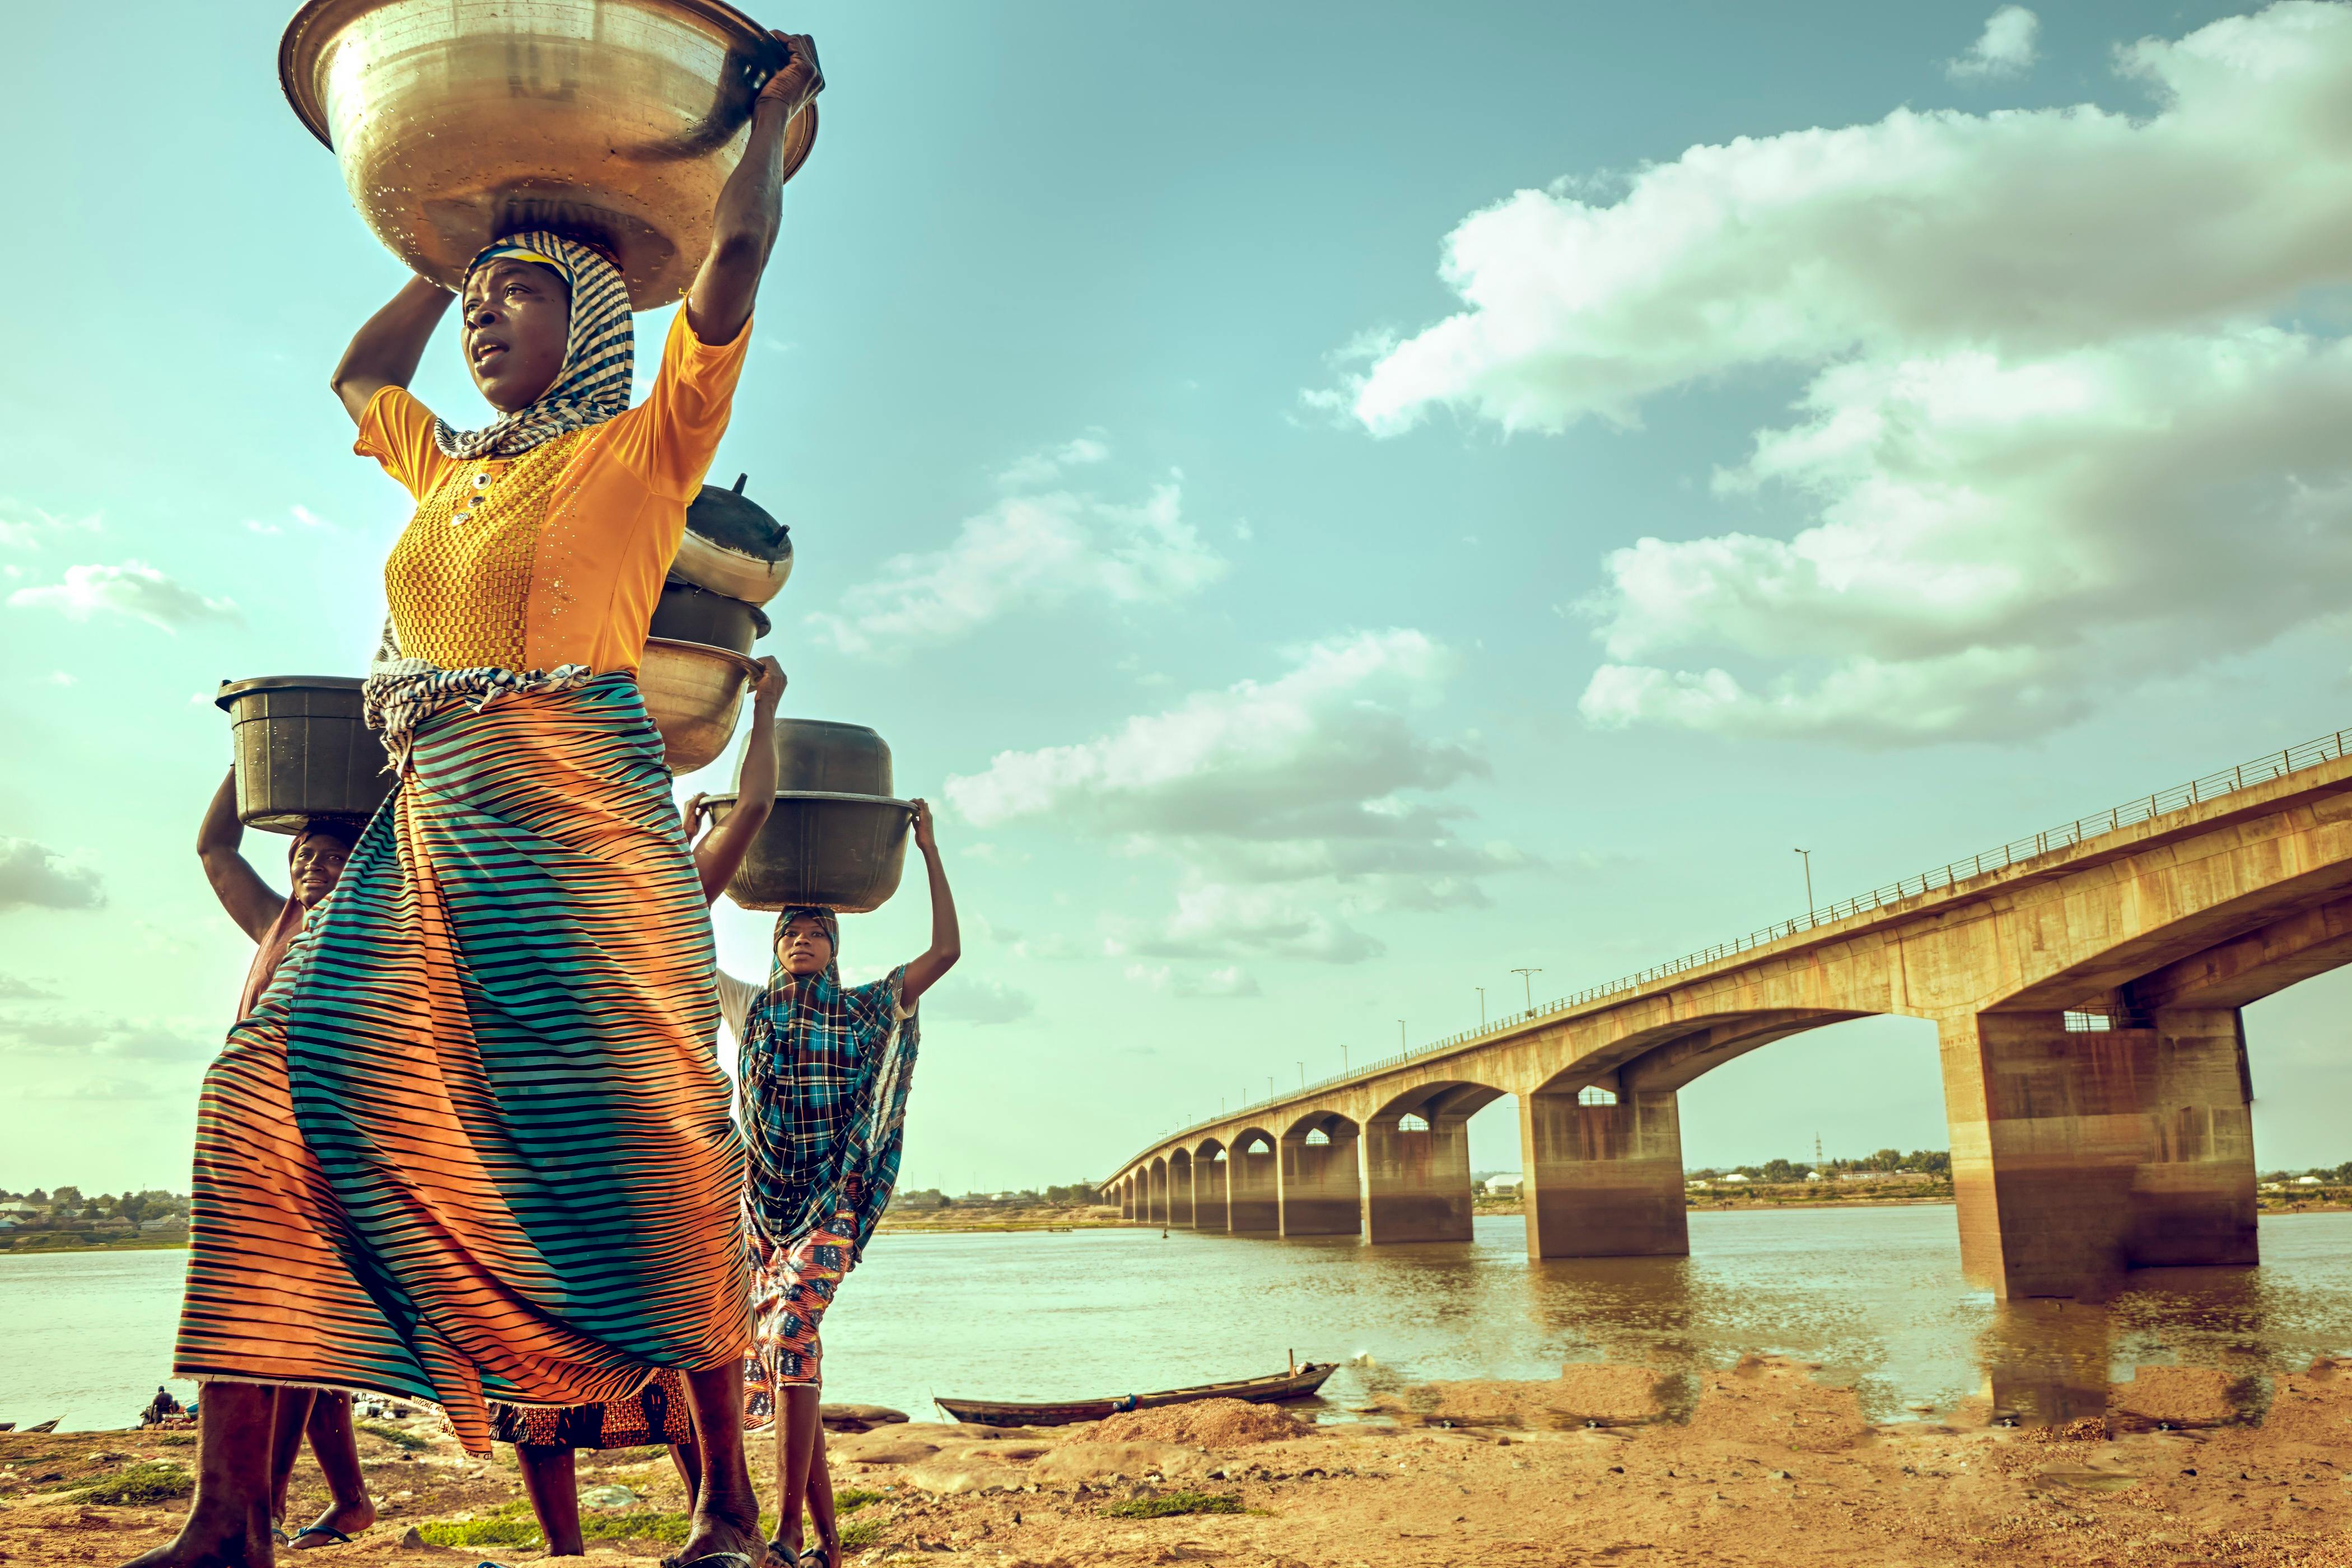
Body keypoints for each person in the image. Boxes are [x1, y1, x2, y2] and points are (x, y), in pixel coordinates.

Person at [137, 34, 824, 1568]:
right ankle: (231, 1517)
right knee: (261, 1105)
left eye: (518, 295)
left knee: (644, 1145)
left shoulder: (646, 451)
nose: (482, 321)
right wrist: (444, 251)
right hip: (428, 818)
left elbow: (737, 262)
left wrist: (768, 128)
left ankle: (724, 1508)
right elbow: (358, 377)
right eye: (481, 301)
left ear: (584, 323)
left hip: (579, 814)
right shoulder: (446, 469)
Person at [492, 654, 781, 1558]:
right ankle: (565, 1552)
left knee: (685, 1333)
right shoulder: (534, 894)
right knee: (534, 1358)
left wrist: (765, 708)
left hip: (654, 1137)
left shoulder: (675, 893)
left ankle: (722, 1518)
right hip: (548, 1140)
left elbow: (759, 806)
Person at [717, 802, 959, 1568]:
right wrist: (696, 840)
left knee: (791, 1337)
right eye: (788, 932)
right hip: (762, 1210)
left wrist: (928, 848)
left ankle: (785, 1535)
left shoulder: (866, 1009)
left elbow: (946, 950)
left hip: (833, 1203)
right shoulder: (749, 1009)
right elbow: (671, 939)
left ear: (835, 946)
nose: (800, 941)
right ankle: (825, 1543)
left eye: (815, 932)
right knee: (794, 1359)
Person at [195, 772, 380, 1551]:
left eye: (333, 856)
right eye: (304, 853)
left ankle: (259, 1507)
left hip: (332, 1154)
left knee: (286, 1334)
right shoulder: (278, 922)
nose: (312, 864)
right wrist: (251, 760)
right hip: (258, 1149)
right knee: (303, 1340)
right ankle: (344, 1502)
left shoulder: (375, 933)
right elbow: (215, 848)